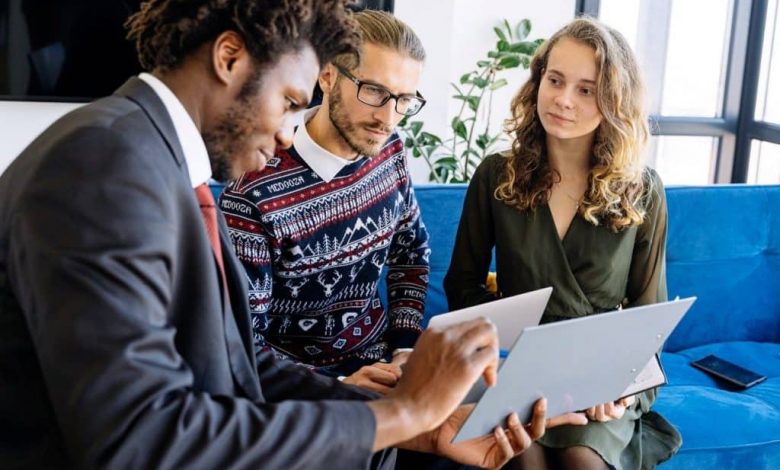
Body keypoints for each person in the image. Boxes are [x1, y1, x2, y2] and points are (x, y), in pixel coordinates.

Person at [0, 1, 582, 468]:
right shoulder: (105, 165)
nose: (287, 134)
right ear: (230, 56)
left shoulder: (149, 157)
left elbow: (238, 364)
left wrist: (417, 425)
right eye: (289, 101)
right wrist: (402, 414)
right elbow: (140, 438)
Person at [444, 17, 683, 470]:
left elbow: (649, 317)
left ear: (614, 100)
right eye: (554, 80)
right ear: (538, 81)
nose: (563, 100)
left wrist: (619, 386)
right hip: (523, 373)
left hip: (602, 379)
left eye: (587, 89)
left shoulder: (643, 188)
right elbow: (463, 287)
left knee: (581, 458)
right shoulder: (497, 175)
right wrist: (512, 356)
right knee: (523, 456)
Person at [221, 10, 430, 393]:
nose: (388, 117)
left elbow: (411, 253)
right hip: (306, 395)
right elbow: (242, 343)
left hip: (386, 371)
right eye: (374, 92)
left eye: (403, 100)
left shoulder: (390, 150)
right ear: (328, 76)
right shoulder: (253, 194)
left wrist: (405, 348)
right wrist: (339, 384)